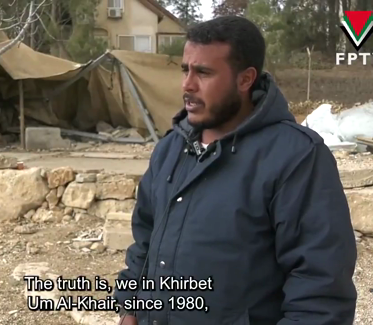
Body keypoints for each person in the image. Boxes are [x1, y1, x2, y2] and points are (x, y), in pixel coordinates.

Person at [113, 15, 357, 325]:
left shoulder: (296, 157)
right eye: (185, 70)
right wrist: (130, 308)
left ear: (245, 79)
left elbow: (320, 287)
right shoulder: (170, 148)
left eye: (203, 72)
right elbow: (144, 240)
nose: (187, 85)